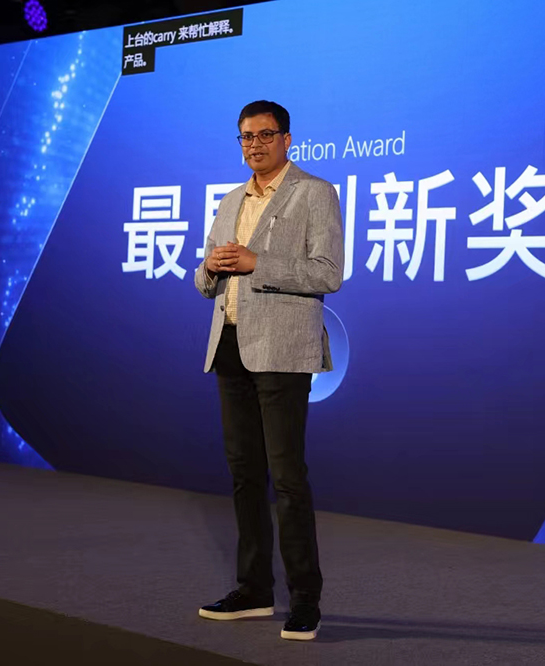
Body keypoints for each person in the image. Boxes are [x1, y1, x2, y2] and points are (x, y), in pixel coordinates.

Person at [194, 100, 343, 641]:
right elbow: (204, 281)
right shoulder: (231, 199)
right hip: (230, 346)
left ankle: (305, 599)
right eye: (245, 137)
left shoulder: (315, 192)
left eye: (264, 134)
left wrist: (258, 263)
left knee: (287, 477)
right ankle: (254, 588)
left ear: (286, 139)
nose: (253, 145)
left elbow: (329, 273)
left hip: (281, 350)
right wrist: (209, 267)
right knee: (244, 475)